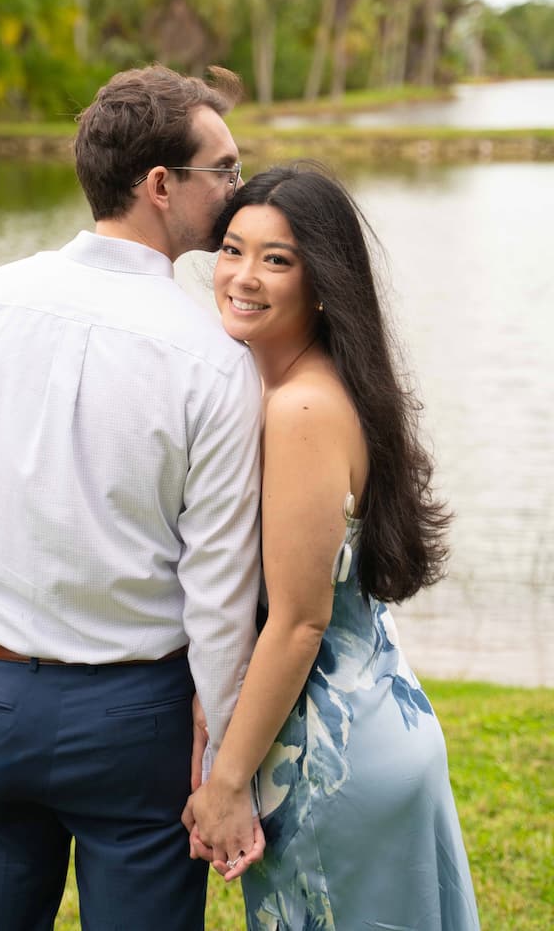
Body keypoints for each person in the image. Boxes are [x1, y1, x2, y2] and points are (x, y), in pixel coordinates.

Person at [0, 64, 265, 931]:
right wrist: (221, 758)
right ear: (161, 185)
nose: (238, 190)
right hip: (139, 721)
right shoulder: (216, 359)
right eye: (224, 170)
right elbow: (216, 590)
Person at [183, 164, 480, 930]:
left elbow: (299, 620)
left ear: (322, 283)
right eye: (232, 249)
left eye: (277, 259)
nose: (243, 276)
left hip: (329, 760)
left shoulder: (303, 408)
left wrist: (226, 782)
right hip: (369, 721)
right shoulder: (305, 383)